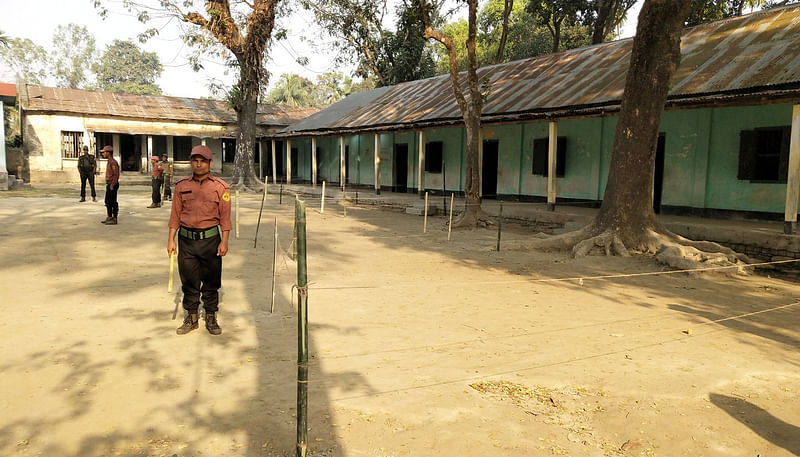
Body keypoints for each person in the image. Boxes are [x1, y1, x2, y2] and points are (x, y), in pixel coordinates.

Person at [167, 145, 231, 335]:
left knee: (211, 281)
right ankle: (192, 317)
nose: (198, 164)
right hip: (186, 241)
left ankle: (211, 316)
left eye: (203, 161)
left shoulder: (220, 187)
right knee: (189, 281)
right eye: (195, 160)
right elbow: (175, 216)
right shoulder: (181, 186)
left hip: (210, 240)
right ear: (191, 162)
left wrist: (224, 241)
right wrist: (171, 240)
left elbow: (225, 218)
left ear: (210, 163)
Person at [100, 145, 120, 225]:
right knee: (107, 201)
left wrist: (112, 184)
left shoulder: (113, 162)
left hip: (112, 184)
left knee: (113, 201)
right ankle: (109, 216)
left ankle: (114, 218)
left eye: (104, 152)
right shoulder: (109, 161)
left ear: (108, 153)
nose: (103, 154)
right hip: (109, 184)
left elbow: (116, 174)